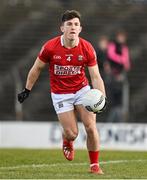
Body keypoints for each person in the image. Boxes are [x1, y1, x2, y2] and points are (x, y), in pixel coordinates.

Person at [18, 10, 106, 174]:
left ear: (80, 29)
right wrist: (27, 89)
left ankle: (94, 165)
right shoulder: (50, 47)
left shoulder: (87, 48)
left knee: (91, 127)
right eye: (69, 24)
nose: (73, 27)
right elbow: (36, 68)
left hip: (82, 91)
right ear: (62, 28)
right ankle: (67, 140)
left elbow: (96, 77)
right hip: (60, 93)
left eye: (76, 24)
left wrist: (102, 97)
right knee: (72, 133)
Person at [107, 30, 131, 122]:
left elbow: (126, 61)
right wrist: (121, 60)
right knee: (113, 97)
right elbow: (111, 55)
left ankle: (119, 116)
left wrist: (125, 63)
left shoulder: (124, 47)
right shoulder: (112, 45)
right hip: (113, 73)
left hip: (120, 74)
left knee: (120, 98)